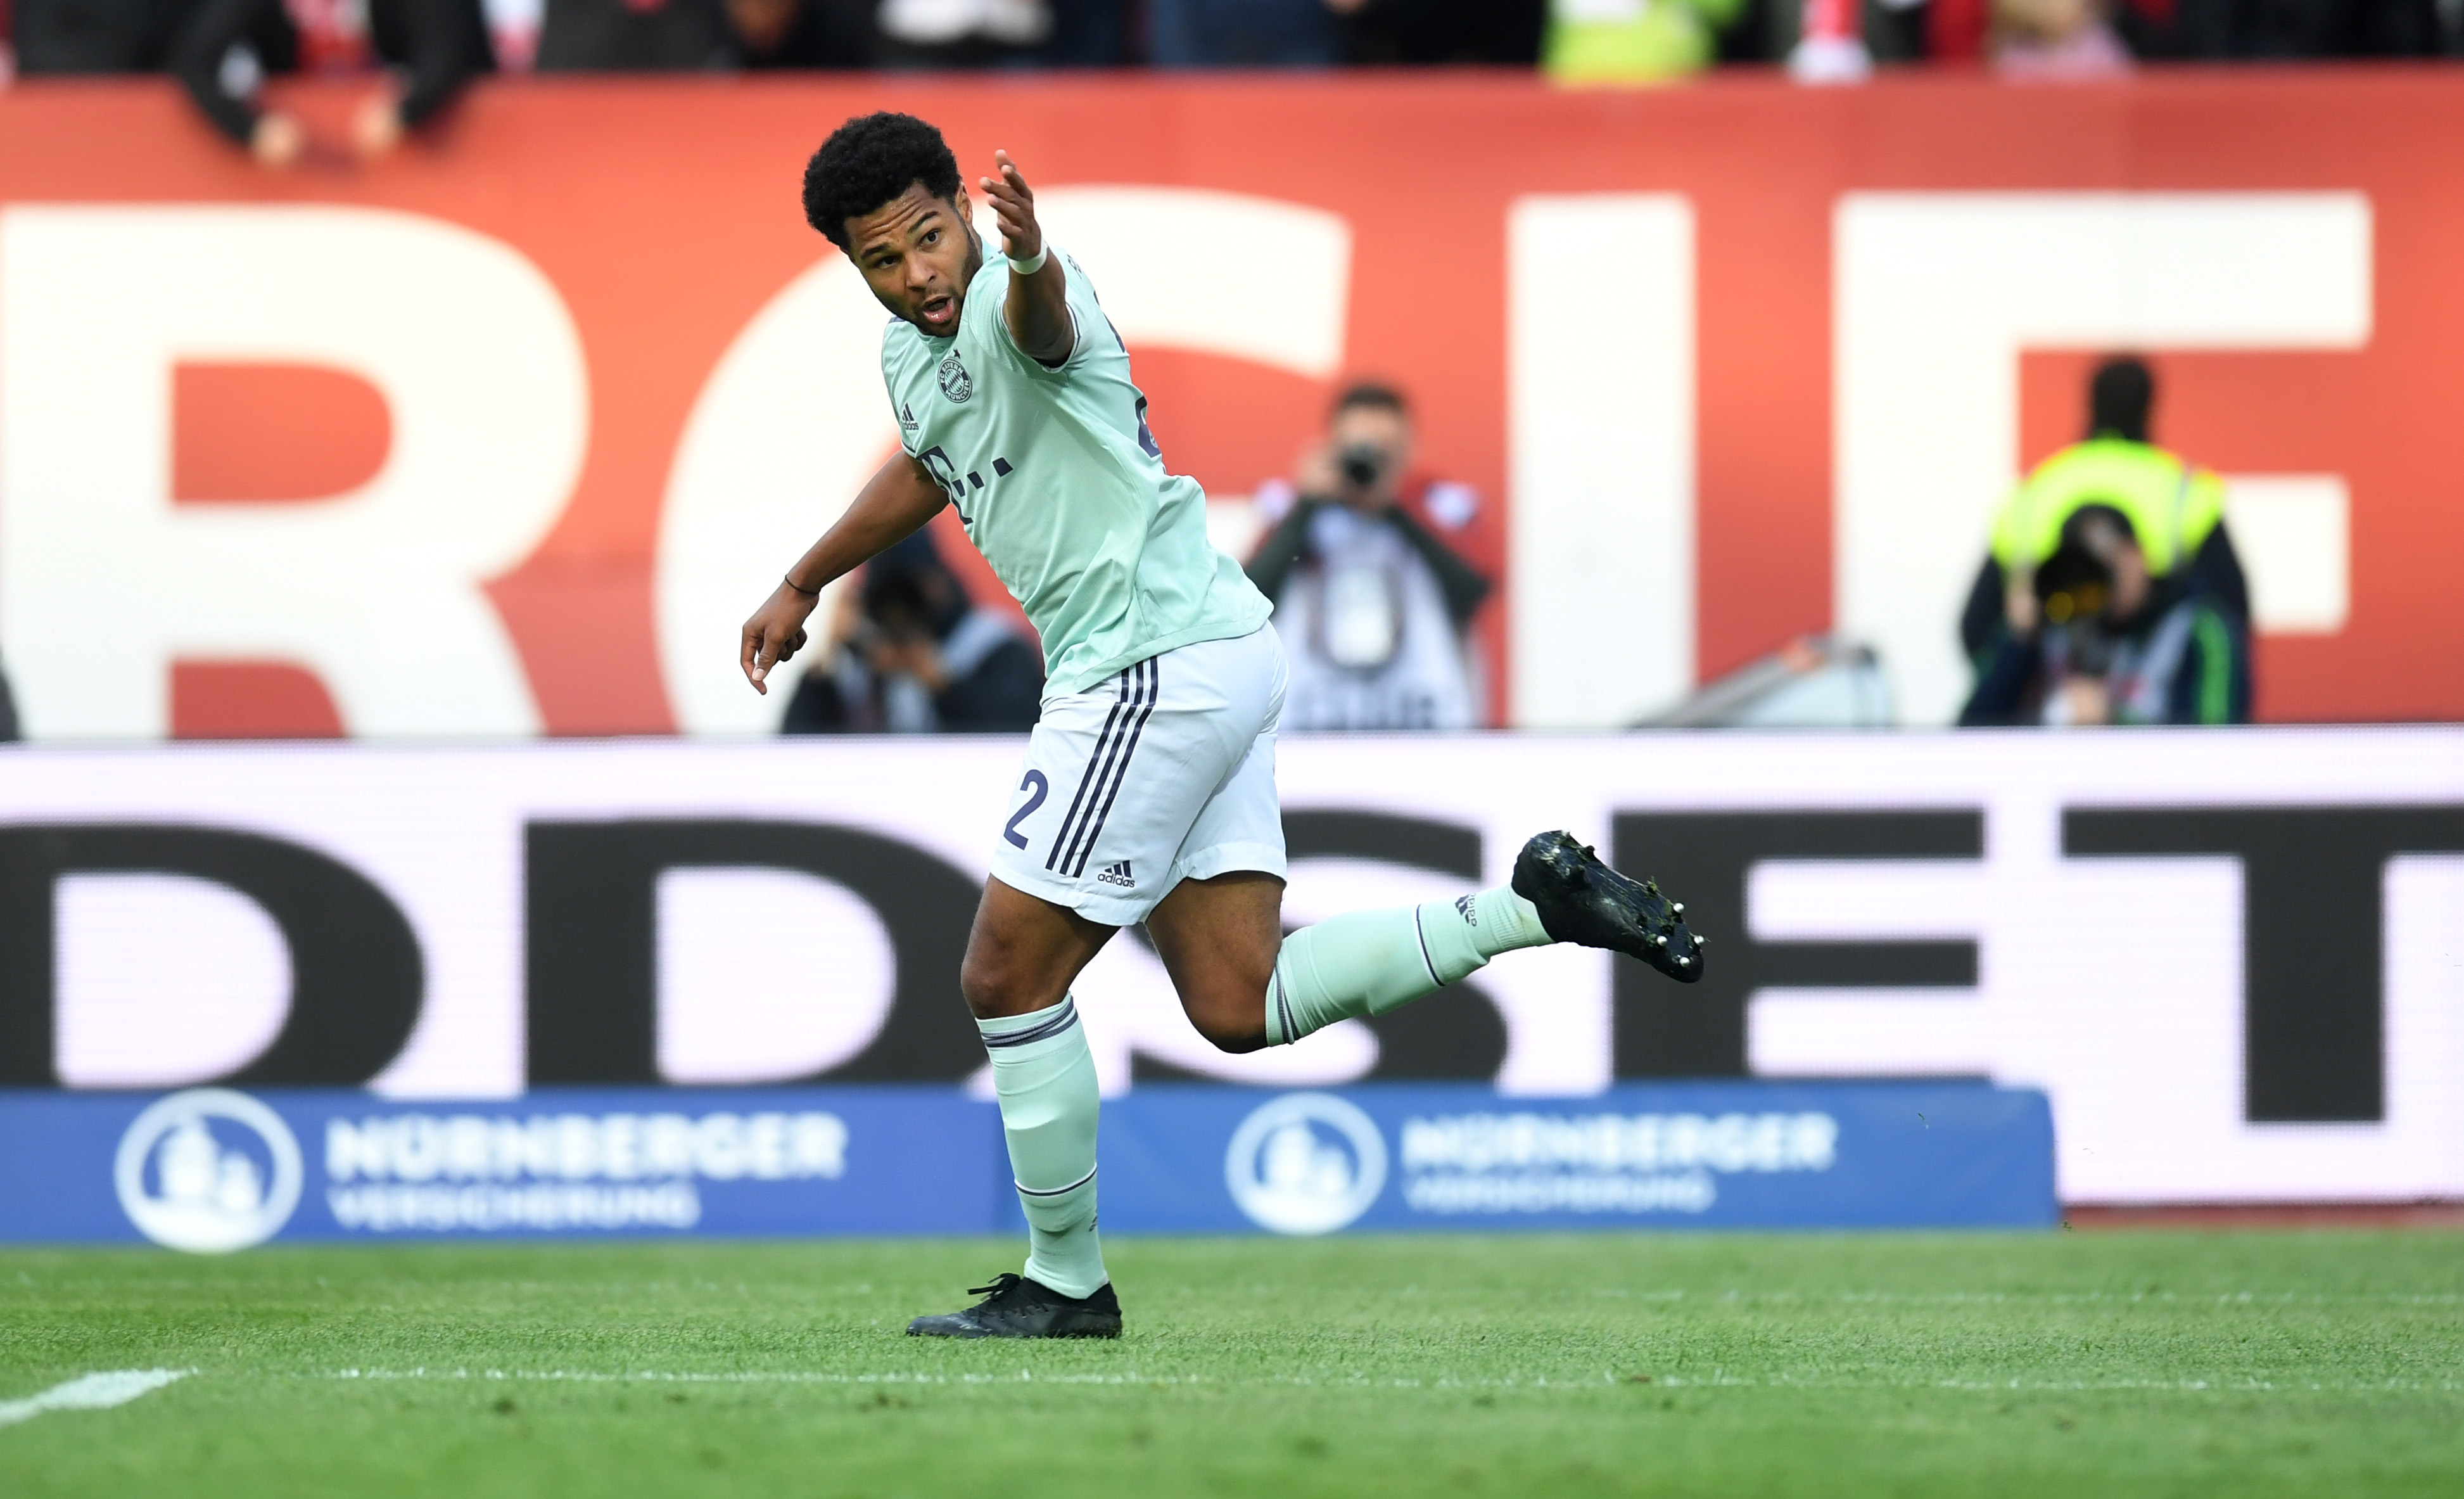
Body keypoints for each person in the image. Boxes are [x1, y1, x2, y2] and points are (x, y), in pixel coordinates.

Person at [738, 112, 1705, 1340]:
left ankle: (1066, 1283)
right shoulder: (909, 355)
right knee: (1238, 1000)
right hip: (1212, 646)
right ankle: (1533, 907)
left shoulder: (1022, 292)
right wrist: (805, 576)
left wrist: (1026, 261)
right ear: (855, 268)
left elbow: (1037, 329)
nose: (919, 274)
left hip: (1148, 664)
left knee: (1005, 970)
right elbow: (931, 464)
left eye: (933, 237)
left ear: (967, 216)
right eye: (884, 258)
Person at [1959, 355, 2249, 674]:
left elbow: (1975, 629)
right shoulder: (2187, 492)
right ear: (2150, 405)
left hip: (2067, 695)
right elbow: (2233, 616)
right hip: (2151, 701)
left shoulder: (2033, 492)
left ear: (2089, 403)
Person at [1243, 382, 1494, 732]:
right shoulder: (1292, 507)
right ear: (1332, 445)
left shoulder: (1443, 506)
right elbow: (1250, 601)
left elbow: (1475, 590)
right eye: (1359, 448)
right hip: (1312, 717)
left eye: (1385, 450)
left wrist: (1396, 508)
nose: (1370, 462)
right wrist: (1306, 507)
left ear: (1411, 448)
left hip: (1423, 718)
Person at [1959, 503, 2249, 725]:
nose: (2099, 585)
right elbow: (1972, 729)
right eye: (2085, 571)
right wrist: (2020, 639)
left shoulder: (2198, 626)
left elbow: (2216, 744)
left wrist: (2113, 720)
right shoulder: (2055, 620)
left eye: (2110, 566)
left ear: (2140, 558)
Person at [169, 0, 493, 168]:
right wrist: (250, 130)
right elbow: (195, 60)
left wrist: (406, 111)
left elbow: (447, 49)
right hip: (302, 169)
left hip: (417, 159)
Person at [782, 531, 1043, 733]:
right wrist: (827, 666)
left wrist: (941, 683)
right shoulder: (851, 663)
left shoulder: (991, 643)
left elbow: (1020, 734)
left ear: (938, 583)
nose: (900, 616)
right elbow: (795, 747)